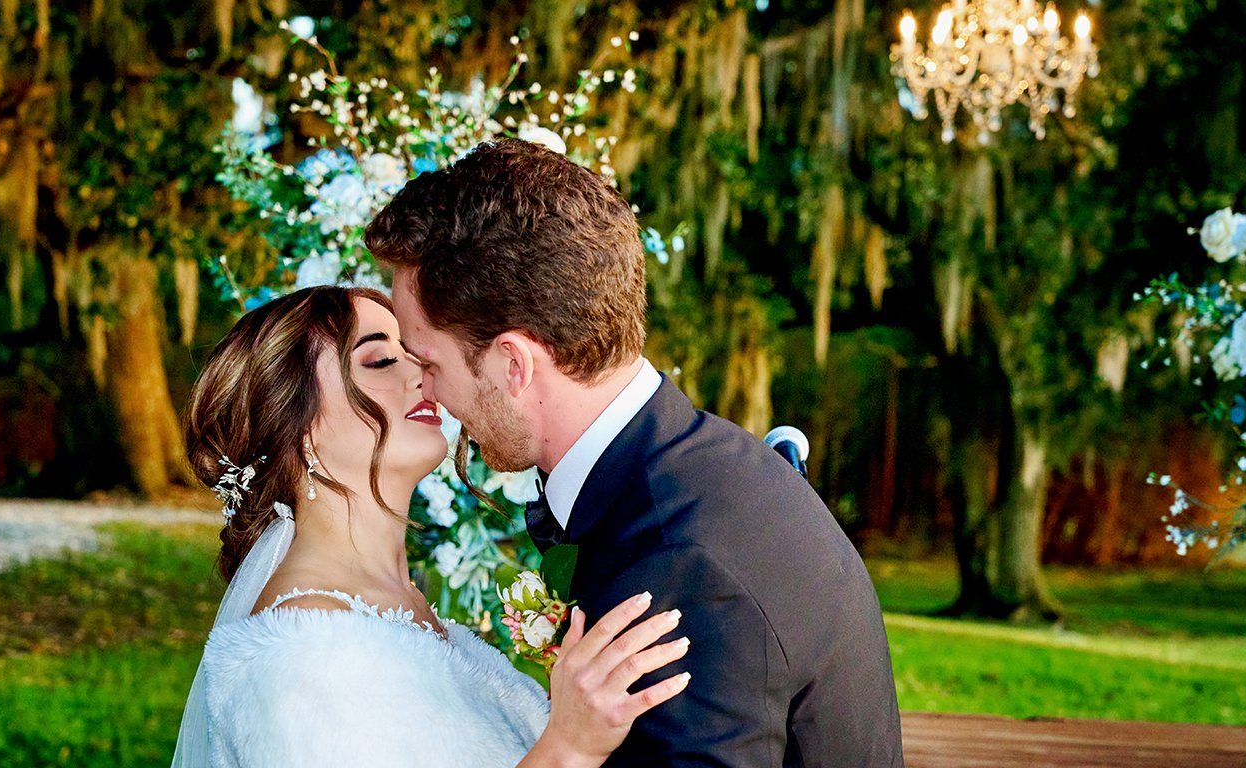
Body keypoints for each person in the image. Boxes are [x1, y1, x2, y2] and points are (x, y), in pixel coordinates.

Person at [365, 138, 904, 767]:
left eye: (428, 361)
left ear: (513, 363)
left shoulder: (682, 574)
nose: (423, 387)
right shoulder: (704, 465)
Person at [170, 285, 691, 767]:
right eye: (379, 360)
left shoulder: (405, 613)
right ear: (297, 429)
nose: (420, 374)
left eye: (413, 353)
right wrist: (567, 748)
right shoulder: (299, 662)